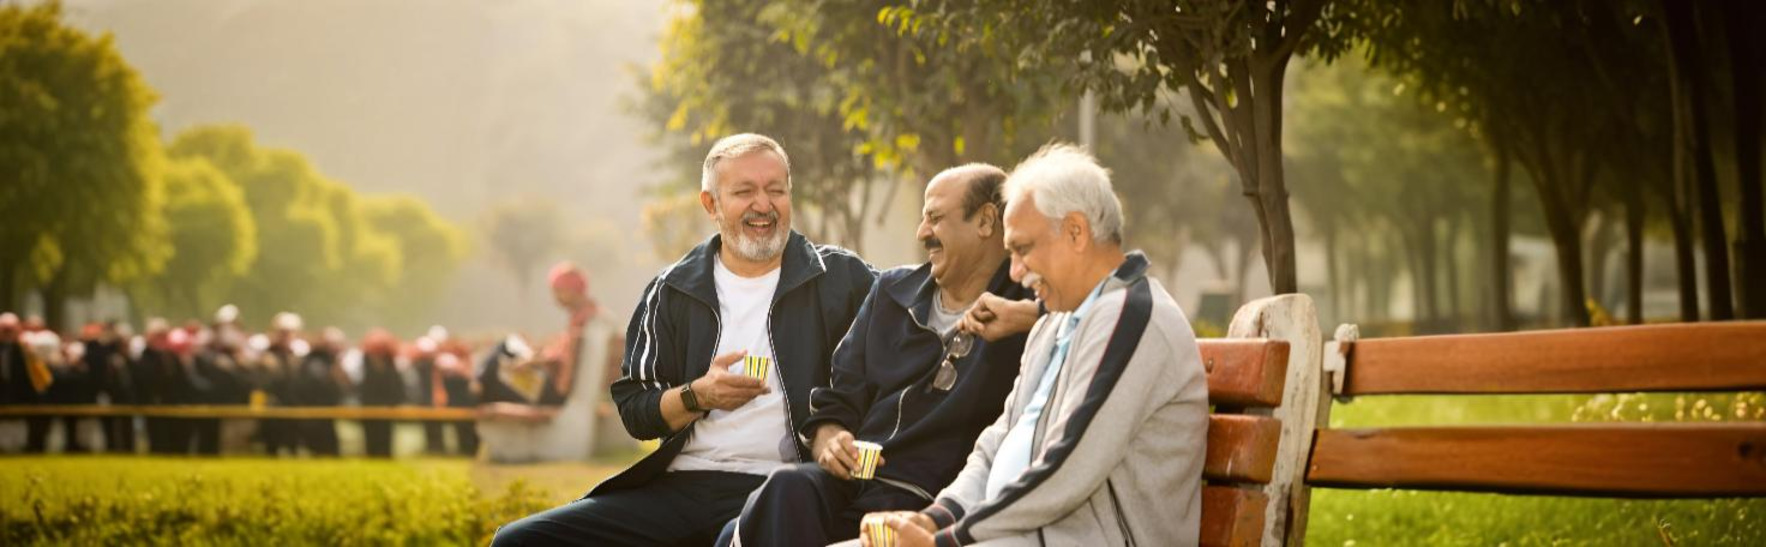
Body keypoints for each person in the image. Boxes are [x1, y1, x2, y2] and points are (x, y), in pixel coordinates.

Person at [492, 133, 877, 545]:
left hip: (786, 486)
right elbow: (635, 409)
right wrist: (698, 395)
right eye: (744, 192)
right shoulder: (672, 290)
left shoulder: (842, 279)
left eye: (776, 190)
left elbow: (900, 350)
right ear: (711, 204)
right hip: (679, 487)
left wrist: (833, 430)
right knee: (519, 541)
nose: (763, 204)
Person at [858, 144, 1210, 547]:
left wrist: (947, 541)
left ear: (1076, 232)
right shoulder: (1055, 324)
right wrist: (936, 518)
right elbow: (998, 441)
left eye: (1023, 249)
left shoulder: (1131, 317)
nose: (1015, 272)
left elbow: (1068, 467)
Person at [719, 164, 1042, 546]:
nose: (923, 232)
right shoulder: (892, 291)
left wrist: (1030, 317)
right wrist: (831, 440)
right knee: (785, 488)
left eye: (935, 218)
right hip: (852, 481)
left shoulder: (1031, 305)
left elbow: (1093, 313)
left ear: (986, 221)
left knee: (745, 530)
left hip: (930, 497)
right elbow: (838, 399)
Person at [357, 328, 404, 458]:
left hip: (387, 407)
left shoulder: (392, 363)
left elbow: (396, 386)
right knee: (371, 435)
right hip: (368, 406)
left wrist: (394, 403)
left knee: (386, 436)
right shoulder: (362, 362)